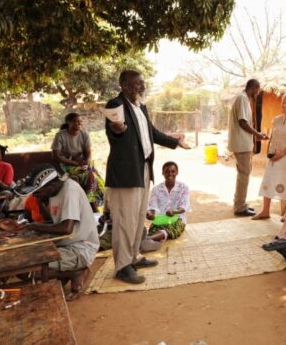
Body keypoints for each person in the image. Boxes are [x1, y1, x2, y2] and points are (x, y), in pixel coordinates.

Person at [104, 69, 190, 284]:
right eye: (138, 83)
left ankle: (134, 256)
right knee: (125, 220)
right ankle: (123, 266)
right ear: (124, 85)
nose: (142, 87)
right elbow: (114, 131)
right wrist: (118, 129)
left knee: (138, 217)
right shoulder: (116, 104)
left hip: (143, 169)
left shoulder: (141, 107)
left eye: (143, 83)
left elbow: (151, 133)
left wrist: (175, 141)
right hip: (125, 173)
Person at [13, 164, 99, 301]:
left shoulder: (70, 191)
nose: (36, 196)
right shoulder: (55, 193)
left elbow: (66, 228)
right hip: (65, 244)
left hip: (80, 248)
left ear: (51, 186)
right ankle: (64, 273)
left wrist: (34, 226)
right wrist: (31, 226)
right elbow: (56, 224)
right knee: (22, 260)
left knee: (25, 269)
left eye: (38, 192)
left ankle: (75, 272)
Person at [254, 93, 286, 220]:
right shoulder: (276, 119)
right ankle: (265, 211)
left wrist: (282, 154)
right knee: (269, 180)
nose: (284, 105)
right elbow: (274, 137)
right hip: (274, 156)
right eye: (283, 103)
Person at [228, 79, 268, 217]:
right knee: (244, 175)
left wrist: (256, 135)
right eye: (257, 89)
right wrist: (256, 134)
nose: (258, 92)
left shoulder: (243, 98)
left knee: (243, 174)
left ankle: (240, 203)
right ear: (253, 88)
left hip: (243, 143)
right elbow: (242, 122)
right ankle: (240, 207)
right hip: (242, 144)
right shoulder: (243, 98)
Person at [52, 112, 105, 211]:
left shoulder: (84, 135)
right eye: (76, 122)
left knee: (98, 179)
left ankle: (95, 202)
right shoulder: (60, 135)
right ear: (68, 122)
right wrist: (76, 163)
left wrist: (87, 162)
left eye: (80, 122)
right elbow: (56, 156)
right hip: (67, 163)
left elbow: (88, 153)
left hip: (82, 161)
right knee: (88, 175)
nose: (79, 124)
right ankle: (90, 203)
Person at [146, 161, 190, 240]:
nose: (170, 174)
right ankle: (149, 240)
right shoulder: (156, 189)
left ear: (177, 172)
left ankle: (148, 239)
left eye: (173, 171)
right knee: (154, 230)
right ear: (162, 173)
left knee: (168, 230)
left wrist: (174, 211)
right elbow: (153, 206)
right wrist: (150, 214)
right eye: (167, 171)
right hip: (160, 220)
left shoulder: (183, 188)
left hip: (178, 220)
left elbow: (184, 206)